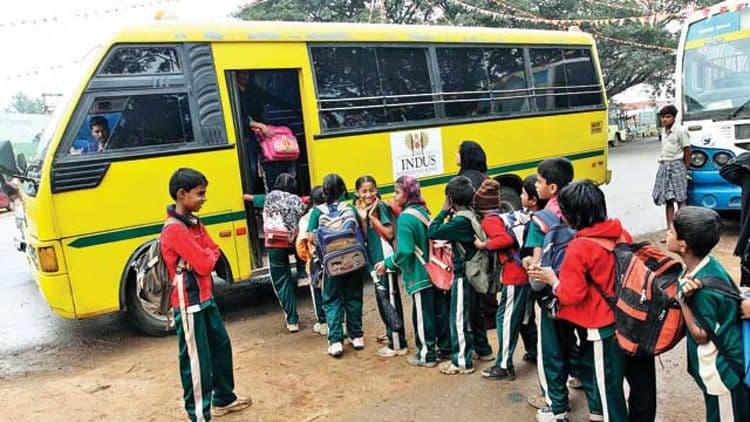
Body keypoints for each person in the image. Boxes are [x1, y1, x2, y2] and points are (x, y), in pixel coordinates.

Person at [529, 180, 631, 422]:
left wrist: (552, 279)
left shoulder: (579, 247)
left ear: (570, 215)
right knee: (609, 382)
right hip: (622, 317)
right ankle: (597, 414)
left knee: (608, 393)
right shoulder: (620, 233)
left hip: (599, 324)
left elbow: (569, 294)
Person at [161, 168, 251, 421]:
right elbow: (205, 263)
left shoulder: (193, 222)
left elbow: (214, 251)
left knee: (221, 346)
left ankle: (224, 398)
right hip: (188, 302)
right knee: (196, 362)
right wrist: (204, 257)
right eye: (200, 194)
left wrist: (204, 256)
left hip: (205, 295)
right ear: (182, 194)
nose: (204, 198)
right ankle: (199, 415)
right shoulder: (175, 229)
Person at [523, 158, 592, 419]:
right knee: (583, 342)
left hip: (551, 297)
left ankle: (555, 403)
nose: (535, 185)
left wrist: (529, 264)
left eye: (539, 181)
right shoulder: (583, 210)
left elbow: (536, 265)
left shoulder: (541, 220)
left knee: (551, 349)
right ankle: (589, 394)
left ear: (552, 188)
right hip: (582, 293)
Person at [671, 207, 749, 422]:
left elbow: (701, 335)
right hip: (724, 368)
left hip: (721, 373)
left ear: (683, 245)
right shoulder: (708, 265)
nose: (667, 235)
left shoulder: (701, 290)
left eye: (671, 231)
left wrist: (683, 301)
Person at [375, 176, 449, 367]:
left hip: (419, 274)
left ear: (408, 193)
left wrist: (388, 263)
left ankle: (426, 355)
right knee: (438, 313)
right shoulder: (422, 210)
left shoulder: (406, 218)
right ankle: (445, 348)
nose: (395, 196)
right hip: (435, 271)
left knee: (423, 317)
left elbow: (405, 251)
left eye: (398, 192)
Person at [473, 179, 527, 381]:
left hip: (514, 272)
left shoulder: (489, 221)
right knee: (524, 316)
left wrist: (484, 245)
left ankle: (504, 365)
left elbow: (505, 239)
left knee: (505, 317)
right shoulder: (505, 216)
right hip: (523, 271)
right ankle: (532, 351)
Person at [428, 176, 482, 375]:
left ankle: (461, 362)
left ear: (450, 199)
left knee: (458, 318)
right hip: (475, 272)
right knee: (474, 314)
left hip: (463, 274)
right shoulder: (472, 214)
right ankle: (483, 350)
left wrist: (443, 211)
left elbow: (432, 232)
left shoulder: (459, 221)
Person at [307, 174, 366, 358]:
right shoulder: (349, 208)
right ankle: (356, 337)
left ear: (323, 192)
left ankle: (335, 342)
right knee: (353, 297)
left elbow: (310, 237)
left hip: (331, 263)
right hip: (354, 261)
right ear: (342, 190)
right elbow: (361, 230)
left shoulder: (317, 212)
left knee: (332, 300)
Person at [243, 173, 306, 333]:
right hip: (293, 242)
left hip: (275, 243)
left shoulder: (269, 198)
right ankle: (302, 274)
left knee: (282, 282)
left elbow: (249, 198)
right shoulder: (298, 200)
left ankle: (292, 321)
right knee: (303, 247)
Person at [355, 175, 407, 358]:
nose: (368, 194)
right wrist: (365, 219)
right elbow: (366, 236)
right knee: (382, 298)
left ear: (376, 190)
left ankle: (397, 343)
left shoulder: (379, 207)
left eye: (371, 190)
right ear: (357, 193)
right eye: (364, 191)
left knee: (390, 299)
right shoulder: (366, 210)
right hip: (377, 260)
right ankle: (391, 332)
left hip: (385, 260)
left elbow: (389, 233)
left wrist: (372, 218)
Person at [517, 175, 546, 363]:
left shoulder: (534, 224)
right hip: (545, 279)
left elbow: (528, 252)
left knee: (528, 316)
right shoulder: (548, 218)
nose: (520, 196)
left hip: (537, 278)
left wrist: (524, 260)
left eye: (522, 193)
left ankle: (535, 351)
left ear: (533, 200)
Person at [652, 104, 691, 235]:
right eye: (663, 117)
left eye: (668, 116)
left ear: (674, 117)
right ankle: (671, 231)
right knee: (668, 199)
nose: (665, 119)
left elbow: (687, 151)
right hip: (665, 166)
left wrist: (685, 170)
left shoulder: (680, 131)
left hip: (677, 166)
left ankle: (682, 231)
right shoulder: (664, 131)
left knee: (680, 199)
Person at [296, 185, 328, 336]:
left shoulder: (306, 218)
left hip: (315, 261)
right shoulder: (332, 212)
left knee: (317, 290)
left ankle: (323, 323)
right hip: (334, 257)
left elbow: (300, 245)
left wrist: (307, 258)